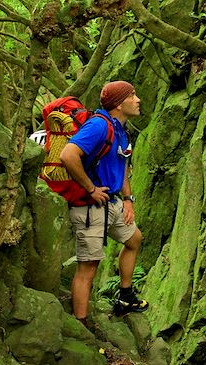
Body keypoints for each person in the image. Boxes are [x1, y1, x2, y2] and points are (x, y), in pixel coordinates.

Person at [60, 80, 148, 326]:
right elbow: (68, 155)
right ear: (119, 104)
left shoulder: (121, 129)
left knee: (134, 239)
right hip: (89, 205)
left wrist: (128, 200)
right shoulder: (99, 126)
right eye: (133, 95)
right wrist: (90, 188)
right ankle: (82, 324)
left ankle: (125, 296)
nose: (138, 99)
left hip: (112, 201)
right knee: (89, 267)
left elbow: (124, 164)